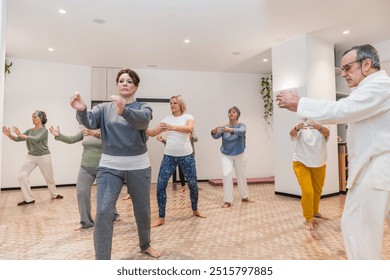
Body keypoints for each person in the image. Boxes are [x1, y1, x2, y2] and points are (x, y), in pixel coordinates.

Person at [276, 44, 390, 259]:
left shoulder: (380, 86)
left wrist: (300, 103)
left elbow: (342, 110)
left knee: (358, 230)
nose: (344, 74)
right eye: (342, 70)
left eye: (347, 68)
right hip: (377, 170)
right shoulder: (372, 88)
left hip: (376, 171)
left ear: (367, 64)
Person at [70, 68, 160, 259]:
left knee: (142, 210)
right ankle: (102, 259)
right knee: (103, 211)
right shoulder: (103, 108)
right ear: (117, 85)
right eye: (121, 81)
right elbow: (90, 121)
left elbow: (143, 123)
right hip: (110, 166)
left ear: (135, 86)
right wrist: (82, 110)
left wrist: (125, 111)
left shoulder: (144, 108)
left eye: (129, 81)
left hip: (139, 166)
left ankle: (145, 244)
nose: (125, 83)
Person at [147, 95, 206, 227]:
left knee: (193, 185)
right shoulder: (166, 119)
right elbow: (152, 133)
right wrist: (139, 126)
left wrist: (172, 127)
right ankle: (161, 218)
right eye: (171, 103)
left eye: (175, 103)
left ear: (181, 105)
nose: (172, 105)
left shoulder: (188, 117)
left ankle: (195, 209)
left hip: (186, 156)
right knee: (161, 186)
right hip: (169, 156)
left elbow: (189, 129)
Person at [49, 125, 121, 231]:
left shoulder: (107, 129)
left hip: (104, 168)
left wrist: (96, 133)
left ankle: (113, 213)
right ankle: (86, 222)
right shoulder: (85, 130)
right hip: (86, 167)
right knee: (81, 192)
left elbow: (115, 141)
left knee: (106, 194)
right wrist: (59, 135)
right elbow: (71, 139)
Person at [2, 110, 63, 206]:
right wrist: (9, 135)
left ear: (41, 119)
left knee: (49, 178)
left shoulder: (44, 130)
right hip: (31, 156)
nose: (33, 119)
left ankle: (54, 194)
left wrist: (20, 134)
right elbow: (18, 139)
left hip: (44, 156)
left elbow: (36, 139)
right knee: (21, 176)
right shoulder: (29, 131)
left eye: (35, 117)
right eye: (32, 117)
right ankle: (29, 199)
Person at [290, 120, 330, 230]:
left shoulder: (323, 122)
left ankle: (315, 211)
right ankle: (308, 218)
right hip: (301, 162)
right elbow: (292, 134)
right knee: (308, 191)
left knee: (317, 190)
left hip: (319, 163)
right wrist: (297, 128)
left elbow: (327, 133)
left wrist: (319, 127)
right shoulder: (302, 123)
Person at [211, 106, 254, 208]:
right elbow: (215, 136)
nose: (231, 113)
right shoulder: (224, 127)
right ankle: (228, 200)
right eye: (229, 112)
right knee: (226, 175)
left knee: (241, 175)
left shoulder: (241, 125)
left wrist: (230, 130)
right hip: (226, 155)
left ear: (237, 115)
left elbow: (242, 131)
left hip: (240, 154)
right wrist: (213, 131)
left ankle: (245, 196)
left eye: (233, 112)